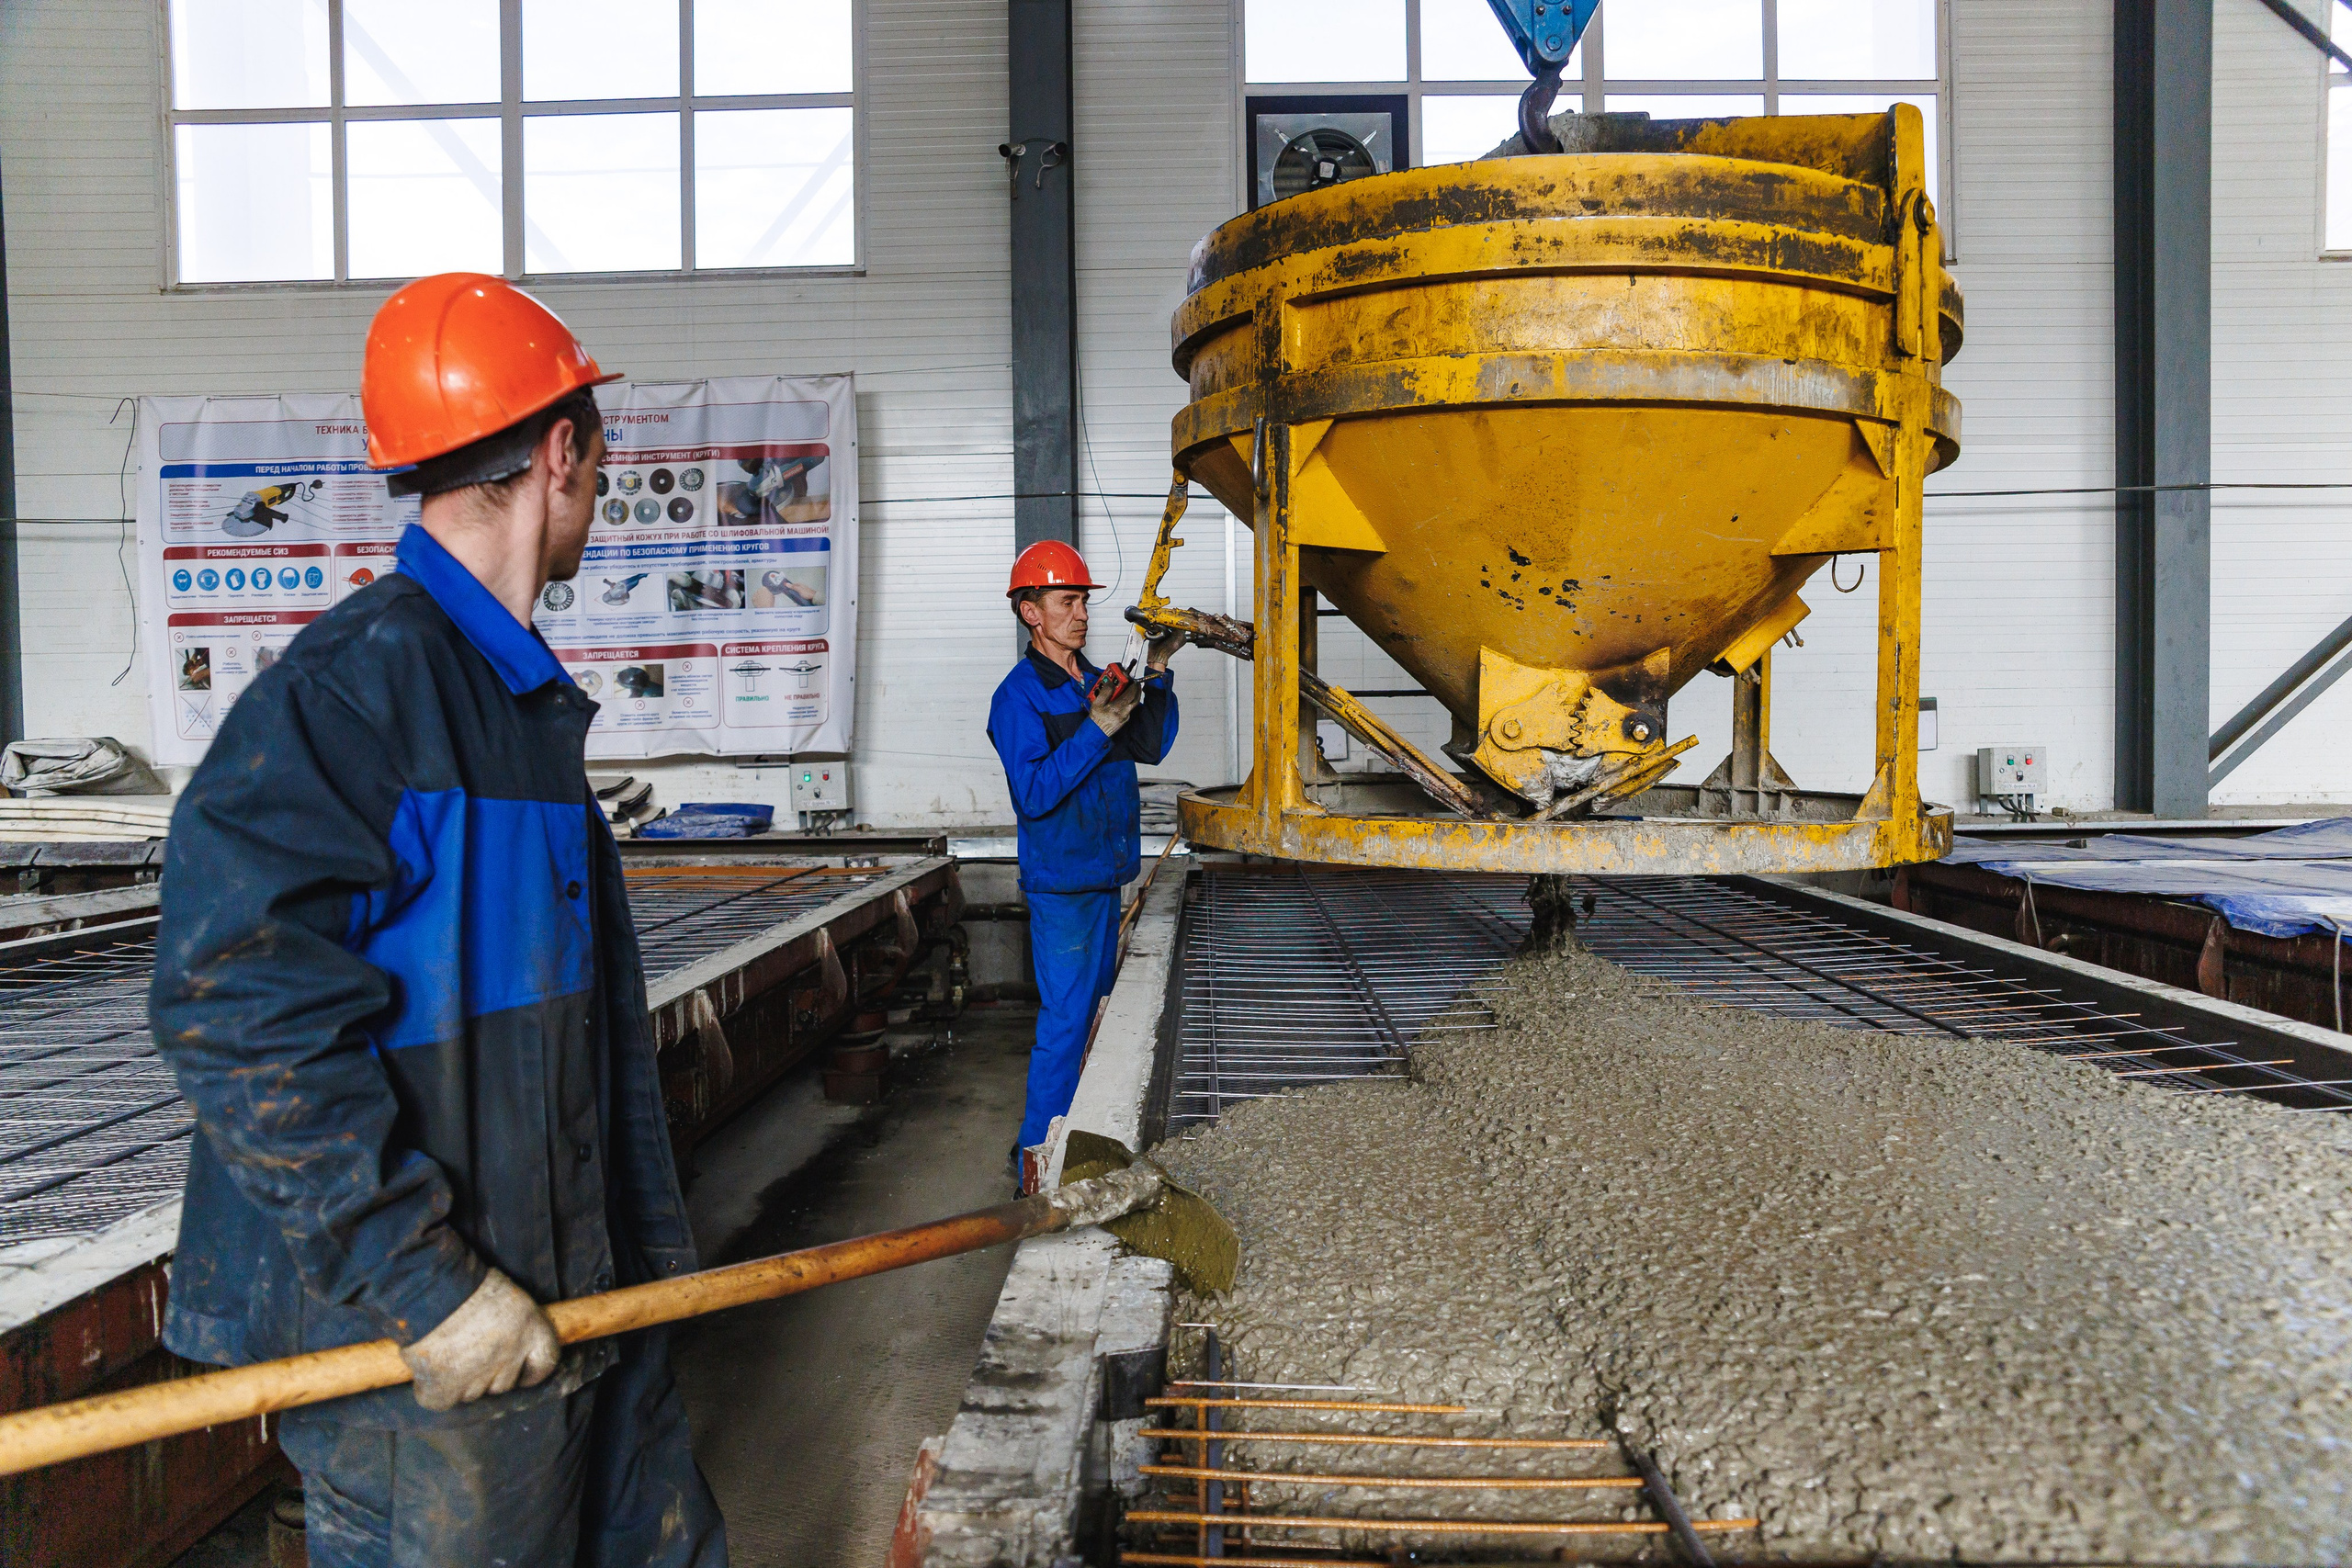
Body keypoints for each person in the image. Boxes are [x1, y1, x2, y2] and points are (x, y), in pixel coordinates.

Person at [150, 272, 727, 1568]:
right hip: (438, 1358)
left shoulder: (508, 700)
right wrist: (428, 1285)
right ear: (561, 452)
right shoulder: (361, 691)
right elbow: (226, 995)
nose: (598, 491)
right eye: (597, 463)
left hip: (578, 1301)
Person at [986, 541, 1182, 1189]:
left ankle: (1077, 1143)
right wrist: (1096, 728)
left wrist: (1157, 671)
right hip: (1064, 885)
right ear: (1031, 612)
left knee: (1098, 1013)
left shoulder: (1094, 679)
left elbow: (1149, 744)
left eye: (1084, 602)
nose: (1081, 614)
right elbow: (1034, 792)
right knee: (1067, 1023)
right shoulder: (1018, 698)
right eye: (1067, 601)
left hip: (1104, 873)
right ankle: (1034, 1167)